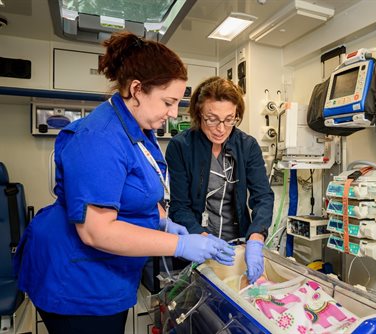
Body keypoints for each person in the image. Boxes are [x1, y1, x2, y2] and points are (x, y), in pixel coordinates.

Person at [13, 32, 234, 334]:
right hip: (76, 277)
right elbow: (96, 230)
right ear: (137, 89)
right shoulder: (101, 138)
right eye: (168, 102)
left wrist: (164, 221)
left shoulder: (138, 130)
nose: (173, 113)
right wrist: (179, 243)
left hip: (104, 270)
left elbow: (137, 190)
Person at [165, 76, 274, 284]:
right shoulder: (181, 147)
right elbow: (180, 207)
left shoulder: (247, 146)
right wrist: (202, 238)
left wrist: (256, 238)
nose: (221, 128)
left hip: (237, 246)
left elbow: (263, 197)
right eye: (212, 119)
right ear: (199, 114)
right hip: (195, 244)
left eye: (229, 119)